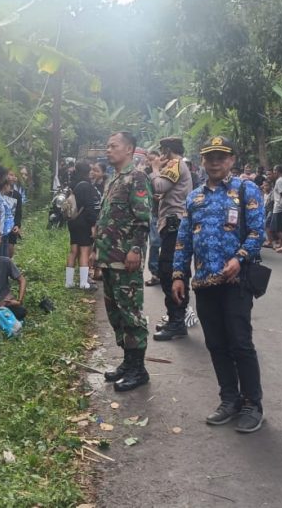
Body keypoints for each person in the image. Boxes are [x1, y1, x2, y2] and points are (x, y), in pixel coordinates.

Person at [172, 136, 266, 433]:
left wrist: (239, 257)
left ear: (231, 161)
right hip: (204, 283)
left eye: (221, 157)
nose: (215, 162)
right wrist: (178, 275)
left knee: (240, 342)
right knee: (216, 344)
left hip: (235, 281)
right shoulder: (194, 198)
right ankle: (229, 399)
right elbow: (183, 239)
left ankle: (252, 403)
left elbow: (257, 231)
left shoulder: (245, 189)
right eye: (210, 157)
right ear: (202, 161)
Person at [94, 131, 152, 392]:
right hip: (108, 259)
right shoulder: (112, 179)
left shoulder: (136, 178)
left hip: (125, 259)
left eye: (113, 145)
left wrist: (136, 249)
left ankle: (139, 369)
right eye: (107, 146)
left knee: (131, 313)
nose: (108, 150)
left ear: (129, 149)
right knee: (116, 313)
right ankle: (128, 363)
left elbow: (142, 219)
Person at [148, 137, 193, 341]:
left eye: (161, 150)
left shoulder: (175, 164)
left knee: (171, 270)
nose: (160, 154)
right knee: (170, 269)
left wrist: (155, 168)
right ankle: (175, 317)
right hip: (172, 224)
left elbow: (159, 186)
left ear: (167, 150)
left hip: (176, 225)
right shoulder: (178, 165)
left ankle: (177, 321)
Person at [65, 160, 101, 290]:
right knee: (85, 250)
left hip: (73, 221)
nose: (92, 171)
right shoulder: (86, 185)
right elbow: (90, 207)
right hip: (83, 221)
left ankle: (69, 282)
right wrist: (93, 224)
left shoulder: (73, 184)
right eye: (90, 169)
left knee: (73, 251)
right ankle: (83, 282)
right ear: (86, 171)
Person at [144, 149, 162, 287]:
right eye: (148, 159)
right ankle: (155, 273)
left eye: (153, 159)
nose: (150, 162)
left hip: (167, 213)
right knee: (155, 243)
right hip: (154, 212)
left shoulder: (168, 171)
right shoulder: (145, 174)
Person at [4, 171, 23, 259]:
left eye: (13, 175)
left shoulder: (17, 195)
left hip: (11, 226)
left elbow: (18, 212)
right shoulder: (0, 192)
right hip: (0, 225)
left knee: (10, 249)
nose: (11, 177)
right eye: (10, 175)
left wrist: (17, 225)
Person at [270, 164, 282, 250]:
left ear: (278, 171)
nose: (273, 172)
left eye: (274, 171)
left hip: (279, 207)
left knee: (276, 228)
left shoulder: (279, 181)